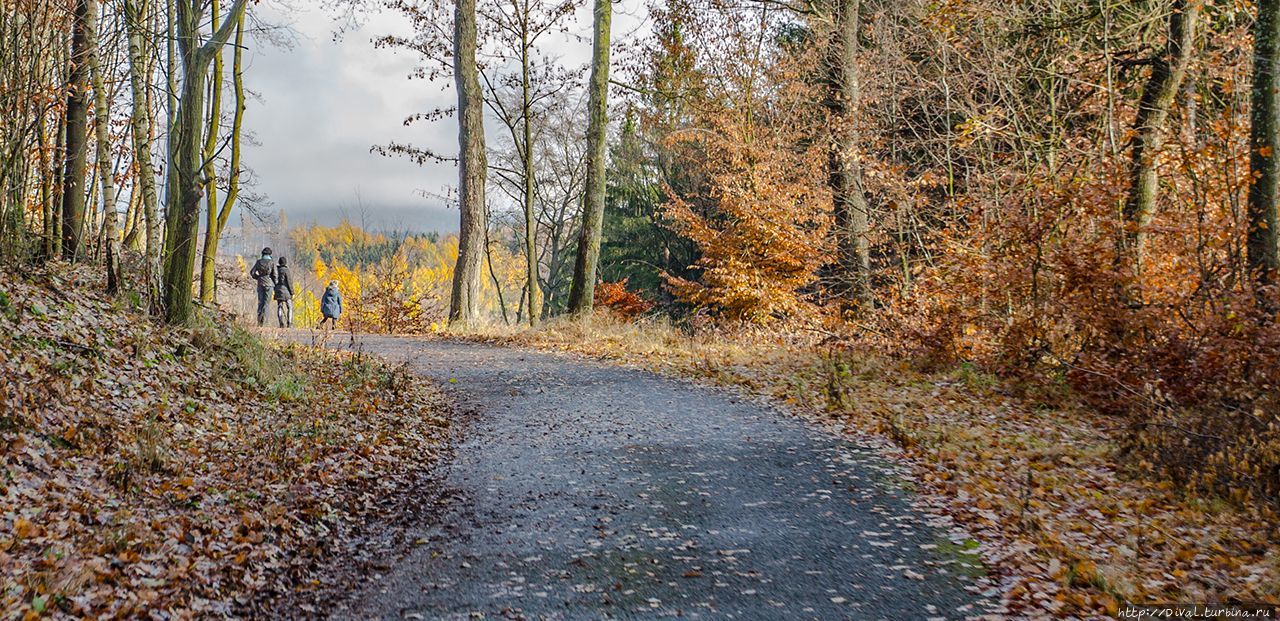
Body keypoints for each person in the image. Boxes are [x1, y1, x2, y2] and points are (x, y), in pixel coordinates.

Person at [249, 247, 276, 327]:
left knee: (260, 303)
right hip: (269, 285)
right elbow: (275, 275)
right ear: (270, 254)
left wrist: (258, 277)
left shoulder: (258, 262)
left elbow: (252, 272)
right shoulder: (271, 262)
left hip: (260, 284)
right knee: (266, 304)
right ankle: (265, 323)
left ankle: (259, 322)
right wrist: (275, 284)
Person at [273, 256, 294, 328]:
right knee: (290, 307)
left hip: (278, 290)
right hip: (286, 291)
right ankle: (289, 322)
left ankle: (281, 323)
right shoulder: (286, 270)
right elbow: (289, 282)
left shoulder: (276, 270)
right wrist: (292, 292)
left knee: (279, 307)